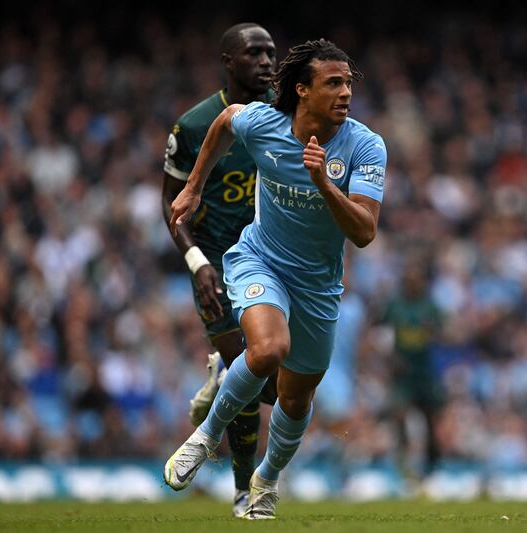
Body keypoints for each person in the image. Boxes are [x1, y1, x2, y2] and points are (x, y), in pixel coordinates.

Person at [163, 39, 387, 520]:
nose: (346, 92)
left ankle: (266, 478)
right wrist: (194, 187)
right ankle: (203, 440)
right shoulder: (265, 124)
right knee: (268, 350)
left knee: (294, 395)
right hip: (259, 260)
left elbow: (365, 232)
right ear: (302, 90)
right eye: (334, 83)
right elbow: (225, 121)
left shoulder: (366, 145)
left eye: (348, 82)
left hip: (319, 287)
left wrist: (326, 183)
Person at [160, 22, 279, 517]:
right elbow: (170, 203)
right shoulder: (192, 127)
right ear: (229, 62)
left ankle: (220, 380)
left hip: (273, 262)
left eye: (272, 53)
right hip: (216, 266)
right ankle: (241, 491)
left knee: (276, 386)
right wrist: (197, 263)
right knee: (254, 376)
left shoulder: (288, 115)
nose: (268, 61)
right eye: (256, 53)